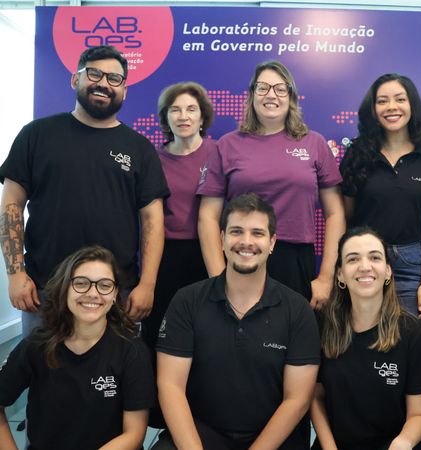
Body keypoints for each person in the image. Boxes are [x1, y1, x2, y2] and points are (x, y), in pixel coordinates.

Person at [0, 45, 169, 336]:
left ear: (124, 91)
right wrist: (15, 275)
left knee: (114, 380)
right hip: (45, 289)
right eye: (94, 74)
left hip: (116, 292)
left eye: (114, 79)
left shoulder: (140, 149)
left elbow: (153, 222)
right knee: (41, 375)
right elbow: (11, 205)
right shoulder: (36, 135)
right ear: (75, 80)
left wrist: (148, 285)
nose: (103, 83)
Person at [154, 193, 320, 450]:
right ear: (221, 239)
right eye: (236, 231)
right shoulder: (187, 300)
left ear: (272, 242)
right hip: (203, 433)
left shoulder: (297, 310)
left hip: (272, 439)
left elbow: (297, 399)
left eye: (257, 233)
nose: (246, 242)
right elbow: (170, 386)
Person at [197, 60, 345, 309]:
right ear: (252, 95)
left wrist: (326, 278)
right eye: (263, 88)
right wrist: (218, 278)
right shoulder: (227, 145)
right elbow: (207, 217)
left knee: (294, 342)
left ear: (292, 96)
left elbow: (335, 213)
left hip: (295, 262)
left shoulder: (314, 143)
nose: (271, 95)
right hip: (242, 255)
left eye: (280, 88)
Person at [0, 246, 155, 450]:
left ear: (115, 293)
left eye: (104, 285)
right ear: (65, 288)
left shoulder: (132, 351)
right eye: (81, 283)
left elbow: (134, 434)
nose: (93, 293)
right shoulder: (35, 346)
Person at [311, 227, 421, 450]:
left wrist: (403, 442)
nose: (365, 266)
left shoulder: (413, 333)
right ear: (340, 274)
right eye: (352, 259)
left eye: (375, 257)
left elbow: (419, 415)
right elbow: (316, 398)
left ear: (388, 271)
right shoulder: (322, 326)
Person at [340, 73, 421, 328]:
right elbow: (346, 219)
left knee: (414, 344)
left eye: (400, 99)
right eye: (382, 101)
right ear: (373, 109)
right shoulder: (357, 156)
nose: (392, 107)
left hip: (412, 264)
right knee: (362, 339)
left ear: (412, 105)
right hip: (363, 261)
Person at [143, 82, 215, 351]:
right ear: (165, 117)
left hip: (210, 253)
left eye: (191, 109)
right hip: (165, 256)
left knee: (206, 330)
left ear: (202, 116)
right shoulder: (152, 159)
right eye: (175, 110)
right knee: (162, 330)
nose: (183, 116)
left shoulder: (219, 153)